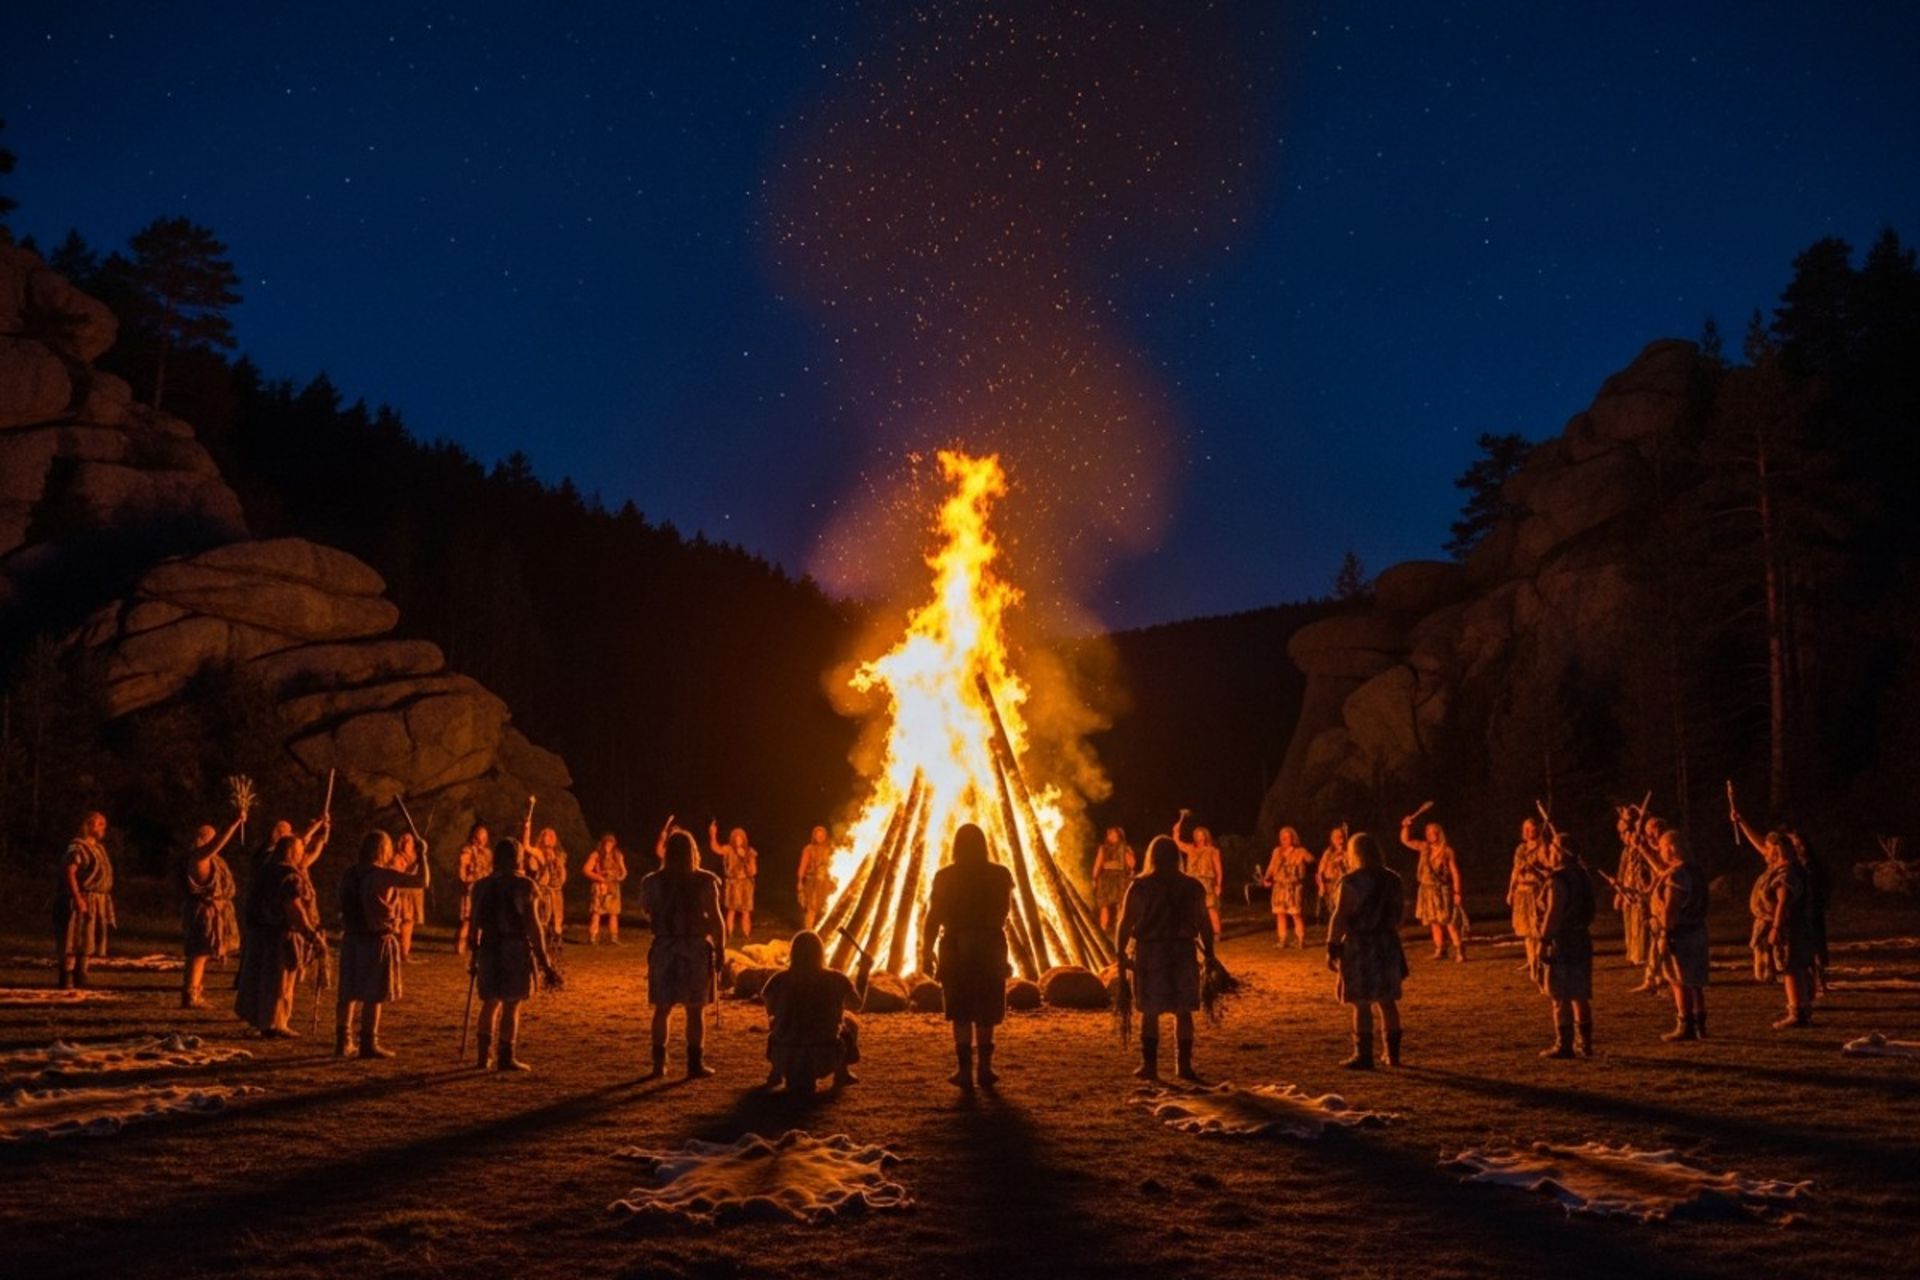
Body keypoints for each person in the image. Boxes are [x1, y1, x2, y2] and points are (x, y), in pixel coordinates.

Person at [920, 822, 1015, 1090]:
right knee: (986, 1007)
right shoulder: (1000, 874)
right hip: (990, 945)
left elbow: (934, 916)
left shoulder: (945, 876)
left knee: (961, 1009)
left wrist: (926, 950)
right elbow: (1004, 911)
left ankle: (965, 1071)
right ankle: (984, 1069)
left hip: (955, 946)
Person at [1116, 835, 1216, 1081]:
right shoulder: (1192, 887)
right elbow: (1204, 923)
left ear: (1152, 856)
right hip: (1182, 953)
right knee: (1183, 1011)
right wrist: (1209, 953)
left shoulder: (1140, 887)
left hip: (1151, 954)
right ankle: (1184, 1066)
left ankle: (1150, 1066)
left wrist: (1120, 952)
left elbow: (1125, 923)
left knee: (1150, 1011)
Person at [638, 828, 727, 1079]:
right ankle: (694, 1064)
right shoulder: (705, 881)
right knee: (694, 1009)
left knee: (662, 1008)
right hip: (693, 949)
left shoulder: (652, 882)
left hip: (665, 949)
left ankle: (659, 1065)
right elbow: (717, 920)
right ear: (693, 852)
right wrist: (720, 948)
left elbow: (648, 911)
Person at [335, 831, 433, 1058]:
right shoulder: (383, 875)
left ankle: (342, 1042)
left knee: (348, 992)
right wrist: (423, 855)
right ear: (383, 850)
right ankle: (368, 1043)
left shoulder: (349, 874)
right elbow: (421, 882)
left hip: (350, 939)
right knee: (373, 994)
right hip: (375, 941)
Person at [468, 836, 562, 1071]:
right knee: (511, 1004)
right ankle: (505, 1057)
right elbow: (533, 925)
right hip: (514, 949)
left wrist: (474, 956)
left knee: (490, 1002)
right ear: (517, 858)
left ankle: (483, 1058)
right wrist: (544, 960)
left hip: (488, 949)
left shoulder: (481, 886)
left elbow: (473, 925)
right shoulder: (524, 885)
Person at [1325, 831, 1408, 1069]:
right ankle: (1392, 1055)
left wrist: (1332, 946)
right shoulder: (1393, 879)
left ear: (1355, 853)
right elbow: (1399, 913)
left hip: (1360, 945)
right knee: (1387, 1000)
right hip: (1387, 944)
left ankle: (1363, 1056)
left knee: (1361, 1001)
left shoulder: (1352, 881)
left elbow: (1340, 915)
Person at [1731, 801, 1816, 1029]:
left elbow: (1782, 902)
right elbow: (1760, 844)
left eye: (1769, 848)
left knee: (1791, 968)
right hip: (1790, 926)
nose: (1765, 851)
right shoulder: (1780, 865)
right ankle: (1802, 1008)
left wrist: (1776, 928)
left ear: (1777, 850)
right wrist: (1742, 823)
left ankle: (1797, 1012)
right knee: (1791, 967)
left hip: (1789, 927)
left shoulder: (1787, 873)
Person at [234, 834, 327, 1038]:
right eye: (300, 850)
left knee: (262, 977)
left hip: (260, 933)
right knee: (279, 981)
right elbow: (293, 908)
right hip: (280, 935)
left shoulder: (265, 870)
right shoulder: (289, 876)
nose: (303, 854)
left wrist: (319, 841)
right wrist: (310, 934)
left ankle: (262, 1021)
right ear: (292, 851)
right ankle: (275, 1023)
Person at [760, 929, 871, 1094]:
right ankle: (842, 1073)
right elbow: (857, 1005)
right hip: (824, 1056)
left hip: (784, 1055)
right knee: (849, 1021)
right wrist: (864, 972)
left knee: (777, 1022)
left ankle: (776, 1073)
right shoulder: (836, 979)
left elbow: (770, 1012)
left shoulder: (777, 980)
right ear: (820, 953)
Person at [1535, 833, 1596, 1058]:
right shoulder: (1582, 874)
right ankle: (1585, 1044)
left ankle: (1565, 1044)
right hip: (1582, 938)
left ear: (1559, 852)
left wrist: (1544, 941)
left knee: (1560, 994)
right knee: (1579, 994)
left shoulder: (1558, 880)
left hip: (1563, 941)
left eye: (1552, 849)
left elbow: (1554, 912)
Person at [177, 813, 245, 1008]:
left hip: (213, 910)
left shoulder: (210, 859)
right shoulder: (198, 857)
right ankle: (190, 995)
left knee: (203, 952)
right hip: (204, 912)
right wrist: (234, 823)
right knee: (198, 952)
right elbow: (217, 845)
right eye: (211, 837)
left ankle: (195, 992)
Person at [1651, 829, 1710, 1042]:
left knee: (1679, 980)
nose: (1659, 851)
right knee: (1694, 981)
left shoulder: (1678, 875)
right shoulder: (1696, 870)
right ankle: (1700, 1024)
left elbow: (1671, 906)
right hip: (1697, 929)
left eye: (1662, 846)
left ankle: (1685, 1024)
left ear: (1671, 848)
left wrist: (1666, 932)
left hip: (1680, 932)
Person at [53, 811, 117, 989]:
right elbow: (70, 872)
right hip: (82, 897)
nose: (104, 827)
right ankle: (67, 978)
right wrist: (77, 897)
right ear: (89, 825)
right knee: (73, 940)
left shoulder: (98, 848)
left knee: (88, 941)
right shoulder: (77, 848)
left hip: (96, 901)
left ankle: (81, 976)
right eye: (100, 824)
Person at [1401, 811, 1466, 961]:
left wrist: (1457, 892)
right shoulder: (1424, 848)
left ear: (1439, 834)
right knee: (1433, 921)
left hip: (1442, 890)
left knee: (1448, 920)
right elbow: (1406, 840)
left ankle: (1459, 949)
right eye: (1428, 833)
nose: (1430, 835)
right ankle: (1440, 949)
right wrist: (1406, 826)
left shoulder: (1446, 851)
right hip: (1427, 890)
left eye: (1433, 832)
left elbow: (1455, 873)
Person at [1788, 829, 1832, 996]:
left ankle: (1820, 981)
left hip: (1811, 911)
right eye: (1795, 844)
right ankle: (1812, 982)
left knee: (1816, 947)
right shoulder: (1795, 865)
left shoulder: (1811, 866)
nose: (1799, 847)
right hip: (1803, 911)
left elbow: (1821, 888)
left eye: (1799, 844)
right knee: (1807, 949)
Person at [1171, 810, 1224, 937]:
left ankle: (1217, 932)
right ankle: (1195, 931)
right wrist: (1176, 830)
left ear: (1206, 836)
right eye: (1197, 835)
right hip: (1192, 881)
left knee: (1210, 908)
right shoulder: (1190, 849)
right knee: (1192, 907)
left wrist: (1218, 884)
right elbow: (1176, 842)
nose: (1200, 837)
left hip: (1207, 881)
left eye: (1202, 835)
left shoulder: (1212, 851)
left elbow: (1218, 869)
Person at [1507, 817, 1550, 974]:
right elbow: (1515, 870)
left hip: (1535, 891)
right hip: (1521, 891)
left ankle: (1539, 960)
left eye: (1531, 828)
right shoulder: (1521, 849)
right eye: (1525, 828)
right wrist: (1511, 890)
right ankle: (1531, 961)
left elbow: (1549, 868)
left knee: (1537, 929)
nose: (1527, 831)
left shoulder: (1543, 848)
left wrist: (1537, 867)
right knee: (1526, 931)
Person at [1263, 826, 1315, 949]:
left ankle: (1300, 940)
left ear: (1293, 838)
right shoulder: (1277, 851)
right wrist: (1266, 878)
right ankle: (1282, 940)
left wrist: (1303, 863)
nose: (1284, 839)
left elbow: (1312, 861)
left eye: (1287, 837)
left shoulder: (1300, 851)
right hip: (1279, 886)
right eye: (1282, 837)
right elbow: (1271, 867)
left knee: (1295, 914)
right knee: (1280, 913)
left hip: (1294, 887)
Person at [522, 818, 568, 947]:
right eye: (546, 836)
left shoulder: (559, 854)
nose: (548, 838)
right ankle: (542, 939)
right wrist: (527, 828)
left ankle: (557, 938)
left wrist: (561, 880)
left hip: (556, 888)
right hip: (544, 888)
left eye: (551, 836)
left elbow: (562, 871)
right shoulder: (538, 852)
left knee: (558, 915)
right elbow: (526, 846)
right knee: (544, 915)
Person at [709, 821, 759, 940]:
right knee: (731, 910)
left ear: (744, 840)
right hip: (732, 884)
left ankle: (746, 935)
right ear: (733, 839)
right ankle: (730, 935)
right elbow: (716, 848)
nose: (738, 841)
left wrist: (744, 858)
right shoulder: (728, 849)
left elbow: (754, 871)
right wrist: (713, 834)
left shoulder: (750, 852)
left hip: (746, 885)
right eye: (736, 839)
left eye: (740, 838)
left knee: (746, 911)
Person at [583, 832, 629, 944]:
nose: (609, 845)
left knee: (614, 912)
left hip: (613, 887)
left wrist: (619, 877)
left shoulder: (617, 855)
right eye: (607, 843)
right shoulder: (596, 855)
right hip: (600, 887)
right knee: (596, 911)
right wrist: (598, 877)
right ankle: (592, 937)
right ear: (603, 843)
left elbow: (624, 871)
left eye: (611, 843)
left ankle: (614, 937)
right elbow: (586, 870)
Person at [390, 830, 429, 963]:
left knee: (408, 925)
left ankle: (404, 953)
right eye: (406, 841)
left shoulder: (416, 857)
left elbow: (422, 877)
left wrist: (422, 855)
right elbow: (398, 876)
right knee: (396, 925)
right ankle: (393, 953)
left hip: (412, 897)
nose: (409, 844)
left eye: (411, 842)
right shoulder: (396, 858)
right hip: (400, 896)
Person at [1091, 826, 1136, 933]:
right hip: (1106, 878)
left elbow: (1132, 864)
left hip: (1121, 878)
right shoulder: (1103, 848)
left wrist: (1127, 852)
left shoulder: (1125, 848)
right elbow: (1098, 863)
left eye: (1114, 834)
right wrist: (1094, 878)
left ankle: (1120, 928)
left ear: (1119, 835)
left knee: (1121, 904)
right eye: (1110, 834)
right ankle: (1103, 928)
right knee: (1104, 905)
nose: (1111, 836)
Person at [455, 823, 491, 955]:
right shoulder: (467, 850)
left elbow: (489, 869)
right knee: (467, 919)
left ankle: (478, 944)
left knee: (481, 919)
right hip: (471, 888)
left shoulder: (487, 853)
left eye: (485, 836)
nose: (482, 839)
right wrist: (465, 881)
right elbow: (462, 868)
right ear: (475, 836)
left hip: (484, 889)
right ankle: (460, 945)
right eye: (480, 835)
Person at [796, 825, 836, 932]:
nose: (820, 837)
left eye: (822, 835)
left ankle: (818, 930)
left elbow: (833, 865)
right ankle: (808, 931)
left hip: (825, 882)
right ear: (814, 836)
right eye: (818, 835)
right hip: (812, 882)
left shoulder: (829, 849)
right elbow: (803, 866)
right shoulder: (809, 849)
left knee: (822, 907)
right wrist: (800, 881)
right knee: (811, 908)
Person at [1315, 826, 1348, 924]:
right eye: (1336, 837)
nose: (1339, 839)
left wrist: (1343, 860)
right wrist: (1321, 885)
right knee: (1333, 910)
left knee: (1344, 909)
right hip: (1330, 885)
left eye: (1340, 836)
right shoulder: (1328, 853)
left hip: (1344, 884)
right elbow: (1320, 870)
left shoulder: (1349, 851)